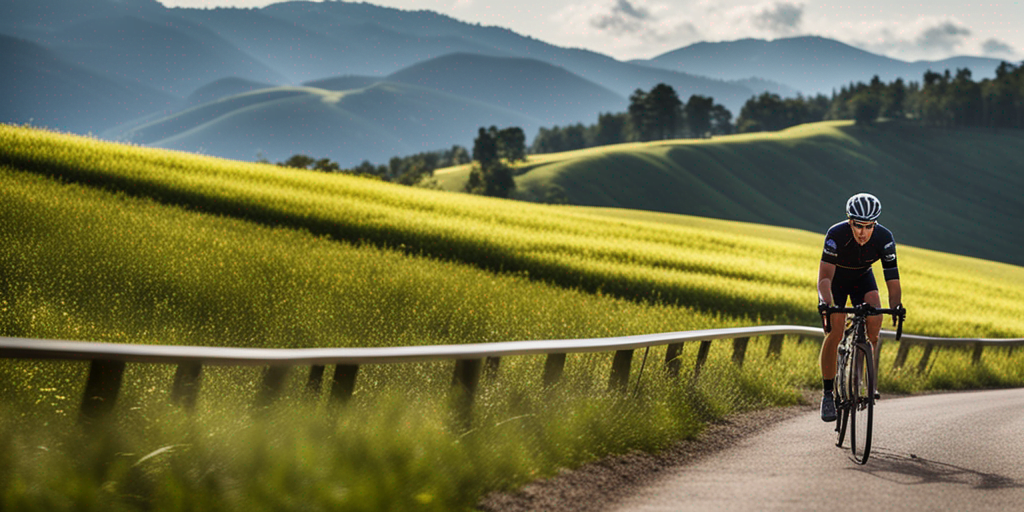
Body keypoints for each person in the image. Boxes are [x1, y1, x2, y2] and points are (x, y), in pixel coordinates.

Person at [816, 193, 902, 422]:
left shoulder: (884, 238)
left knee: (875, 320)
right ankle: (827, 393)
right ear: (849, 221)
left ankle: (860, 379)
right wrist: (826, 302)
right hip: (837, 280)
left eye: (869, 226)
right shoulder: (836, 234)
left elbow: (892, 279)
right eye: (858, 226)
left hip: (863, 278)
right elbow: (824, 278)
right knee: (835, 329)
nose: (863, 232)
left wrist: (896, 306)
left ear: (876, 224)